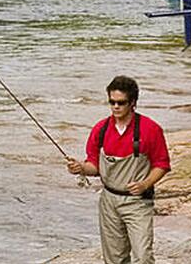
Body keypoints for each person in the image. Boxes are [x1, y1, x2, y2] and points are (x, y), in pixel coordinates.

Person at [65, 75, 170, 264]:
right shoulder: (101, 129)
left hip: (138, 202)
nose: (115, 107)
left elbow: (162, 164)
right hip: (108, 201)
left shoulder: (150, 129)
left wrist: (145, 183)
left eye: (121, 103)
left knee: (143, 256)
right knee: (114, 258)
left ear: (133, 103)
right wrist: (80, 167)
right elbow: (94, 166)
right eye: (111, 102)